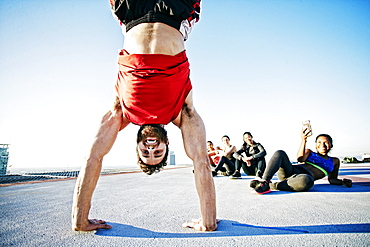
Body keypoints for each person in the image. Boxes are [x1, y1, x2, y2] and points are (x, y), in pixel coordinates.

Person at [72, 0, 217, 232]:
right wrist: (208, 222)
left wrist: (79, 220)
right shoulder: (181, 113)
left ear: (138, 144)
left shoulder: (122, 113)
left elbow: (93, 157)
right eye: (157, 152)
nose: (151, 148)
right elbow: (201, 161)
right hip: (175, 14)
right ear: (167, 143)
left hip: (132, 14)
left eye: (145, 152)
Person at [252, 127, 353, 194]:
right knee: (280, 153)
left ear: (331, 145)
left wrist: (342, 182)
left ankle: (272, 185)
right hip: (291, 171)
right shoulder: (310, 152)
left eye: (326, 142)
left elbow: (332, 179)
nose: (323, 145)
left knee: (307, 181)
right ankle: (264, 181)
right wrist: (304, 140)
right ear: (316, 144)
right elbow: (300, 159)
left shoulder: (335, 161)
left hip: (302, 178)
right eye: (319, 142)